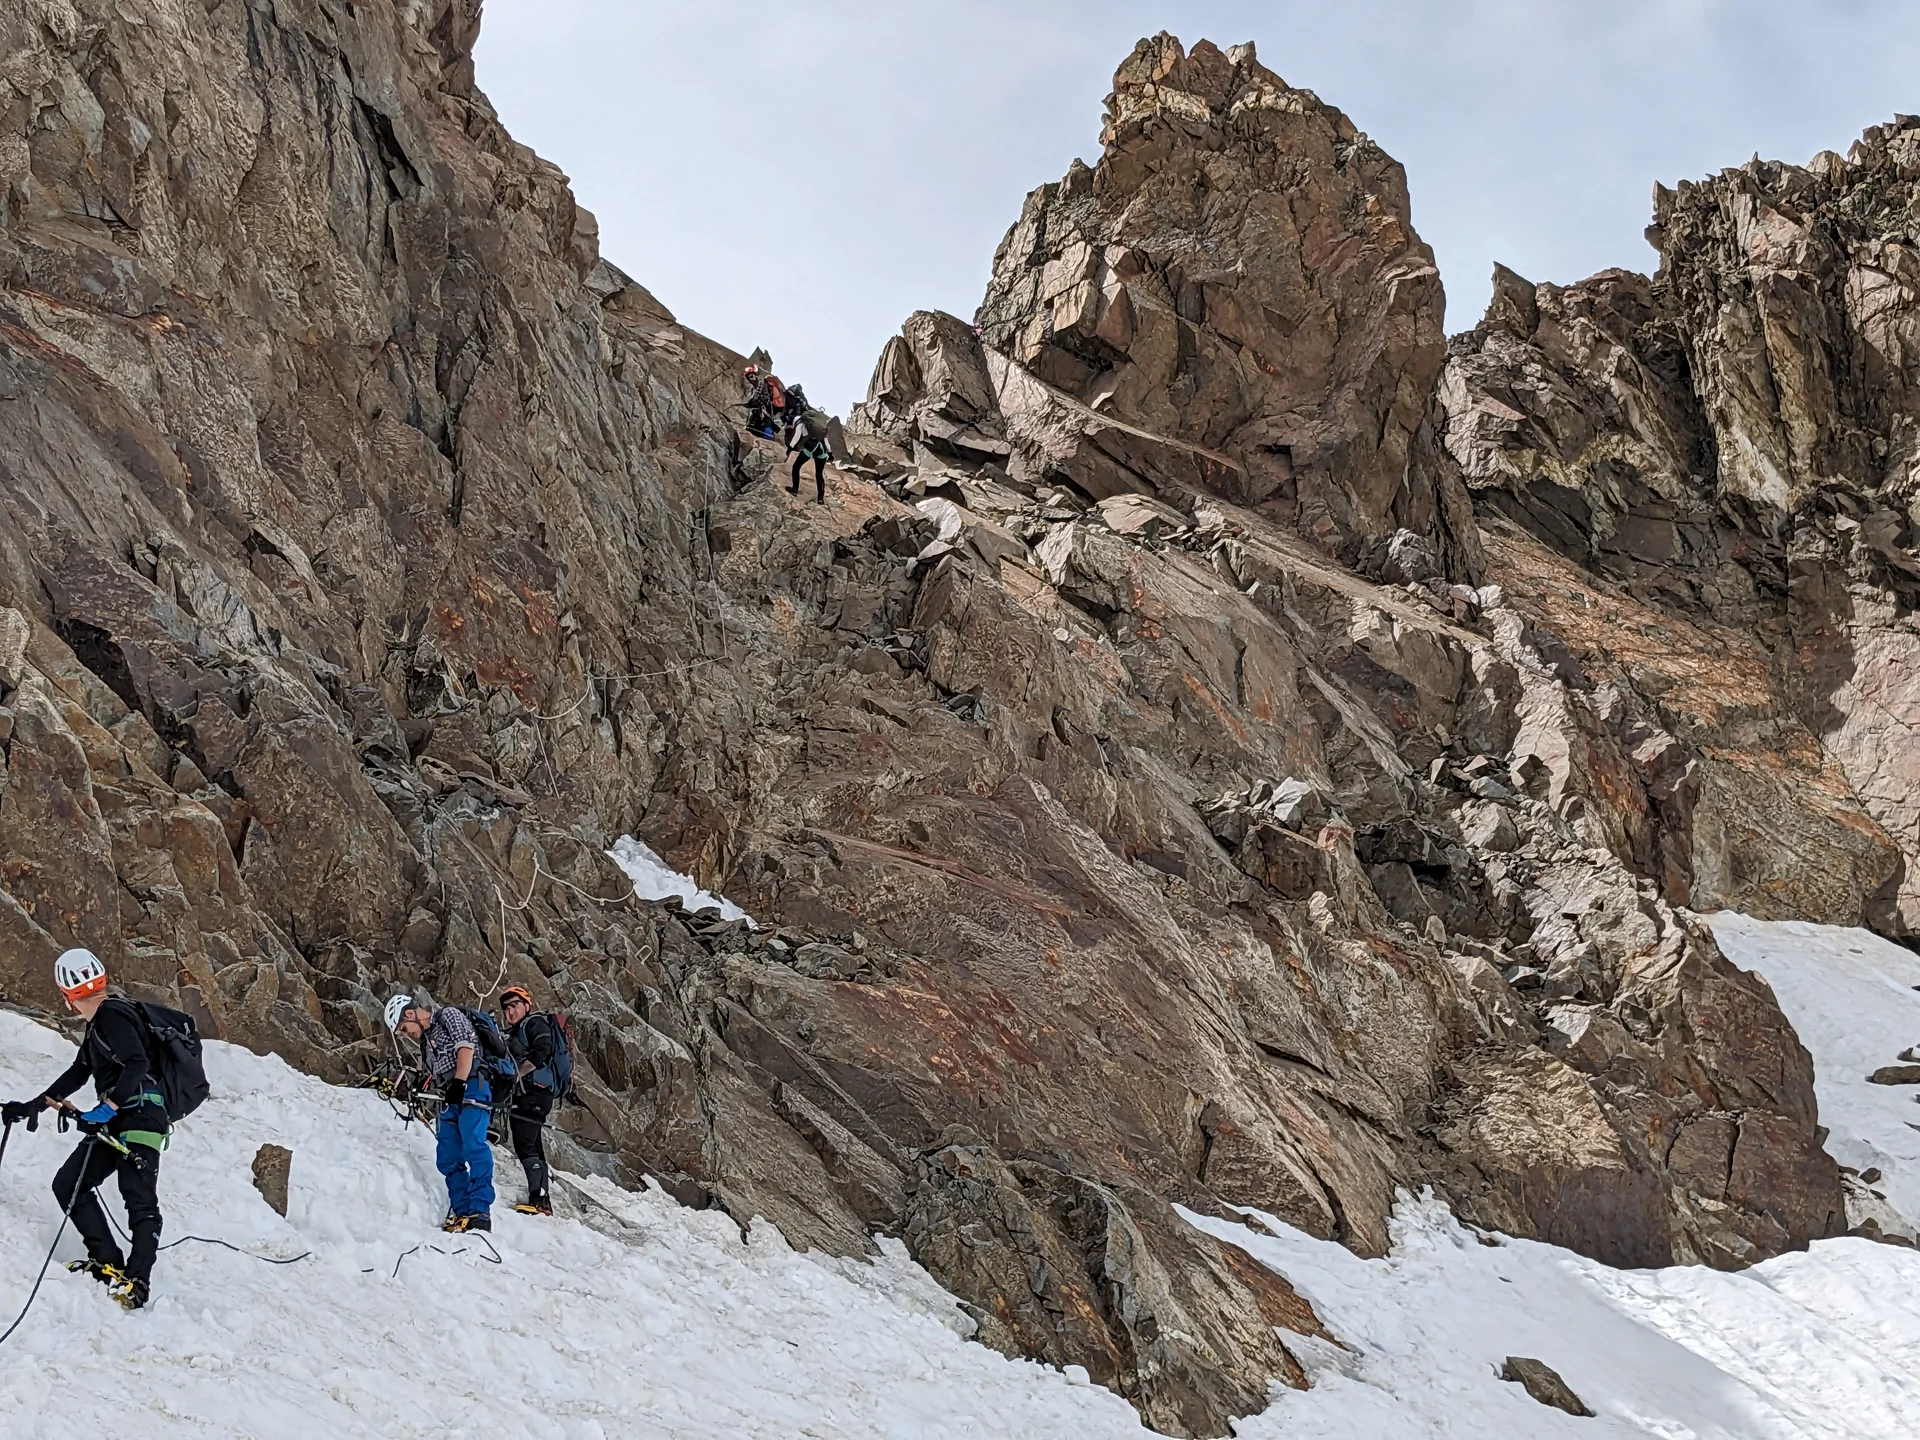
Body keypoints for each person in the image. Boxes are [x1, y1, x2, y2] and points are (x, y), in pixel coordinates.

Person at [1, 949, 169, 1311]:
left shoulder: (113, 1014)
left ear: (66, 997)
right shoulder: (100, 1026)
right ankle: (109, 1263)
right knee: (70, 1182)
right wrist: (31, 1106)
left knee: (137, 1195)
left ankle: (137, 1281)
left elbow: (137, 1063)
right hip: (121, 1116)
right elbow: (79, 1073)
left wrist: (107, 1107)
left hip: (140, 1116)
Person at [386, 993, 494, 1232]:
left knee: (474, 1145)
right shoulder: (426, 1042)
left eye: (404, 1027)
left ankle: (480, 1211)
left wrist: (459, 1081)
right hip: (449, 1095)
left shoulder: (449, 1016)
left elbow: (466, 1047)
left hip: (472, 1086)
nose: (406, 1034)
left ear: (411, 1013)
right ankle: (462, 1211)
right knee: (448, 1155)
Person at [498, 986, 556, 1216]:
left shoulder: (534, 1023)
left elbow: (543, 1050)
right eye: (506, 1008)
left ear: (526, 1005)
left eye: (514, 1005)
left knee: (525, 1144)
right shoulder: (517, 1031)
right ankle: (542, 1200)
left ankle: (539, 1201)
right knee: (533, 1145)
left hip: (534, 1092)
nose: (509, 1011)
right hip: (532, 1094)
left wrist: (518, 1075)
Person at [786, 405, 834, 504]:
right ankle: (820, 499)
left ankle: (795, 489)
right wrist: (829, 452)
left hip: (810, 447)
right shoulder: (819, 426)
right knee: (819, 474)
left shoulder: (802, 423)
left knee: (796, 466)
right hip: (821, 449)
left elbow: (796, 437)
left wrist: (790, 448)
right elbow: (825, 439)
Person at [743, 364, 787, 439]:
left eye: (751, 376)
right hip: (756, 413)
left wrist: (753, 402)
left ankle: (769, 444)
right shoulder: (753, 389)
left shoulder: (762, 383)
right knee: (752, 428)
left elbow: (764, 397)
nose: (750, 379)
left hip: (764, 410)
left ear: (755, 375)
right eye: (748, 378)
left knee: (766, 425)